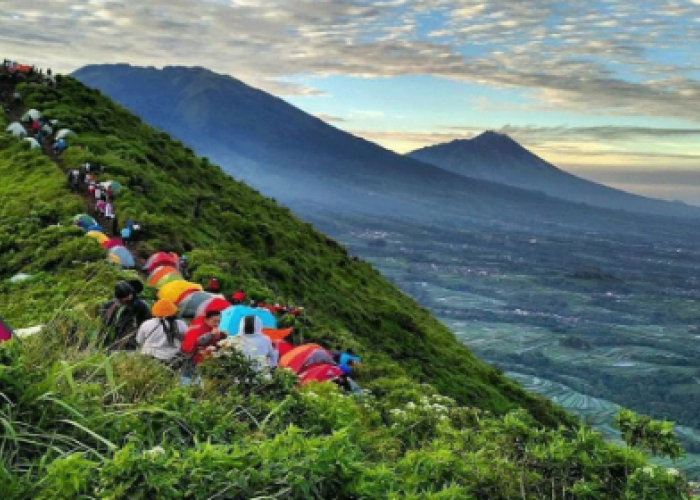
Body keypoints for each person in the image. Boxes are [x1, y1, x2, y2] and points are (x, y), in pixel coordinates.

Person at [100, 281, 151, 350]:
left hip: (131, 338)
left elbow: (147, 321)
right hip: (113, 338)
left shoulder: (140, 305)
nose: (129, 297)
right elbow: (105, 321)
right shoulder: (111, 305)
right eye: (126, 297)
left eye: (130, 294)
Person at [136, 299, 187, 365]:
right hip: (172, 359)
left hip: (149, 357)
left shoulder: (147, 324)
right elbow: (186, 340)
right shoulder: (181, 324)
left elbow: (139, 341)